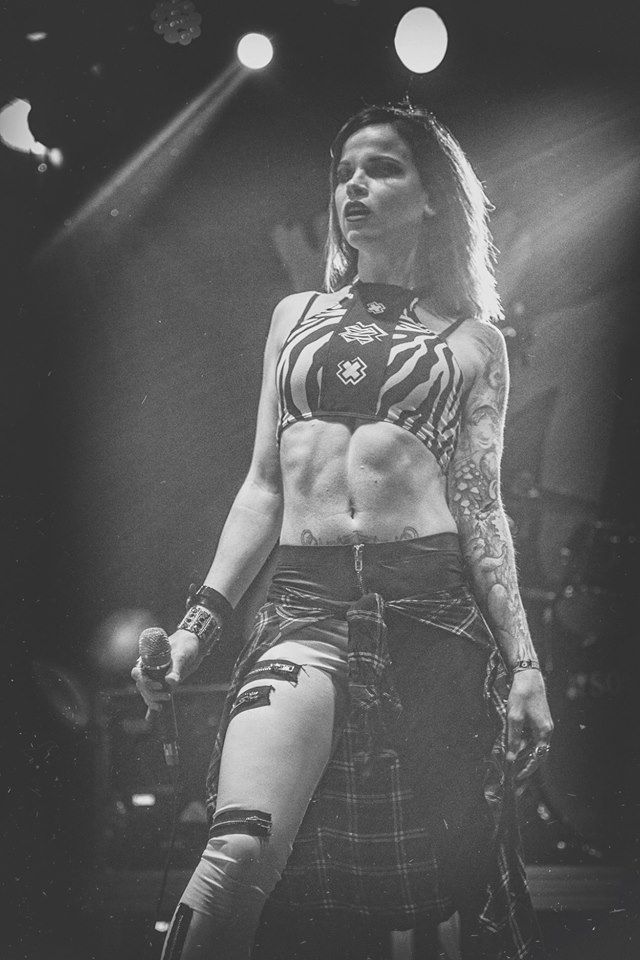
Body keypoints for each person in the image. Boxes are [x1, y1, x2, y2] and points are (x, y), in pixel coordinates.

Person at [132, 102, 553, 959]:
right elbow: (263, 487)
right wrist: (194, 632)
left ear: (432, 197)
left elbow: (480, 505)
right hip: (304, 608)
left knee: (466, 881)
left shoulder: (475, 342)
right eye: (343, 172)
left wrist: (525, 666)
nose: (353, 185)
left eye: (382, 168)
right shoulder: (293, 317)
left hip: (431, 609)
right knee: (238, 846)